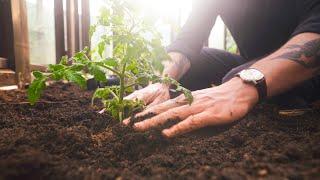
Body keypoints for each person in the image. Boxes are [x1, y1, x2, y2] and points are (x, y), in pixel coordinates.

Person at [124, 0, 320, 138]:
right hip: (250, 62)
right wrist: (162, 82)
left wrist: (242, 86)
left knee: (234, 77)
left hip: (307, 72)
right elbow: (186, 42)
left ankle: (292, 109)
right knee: (194, 64)